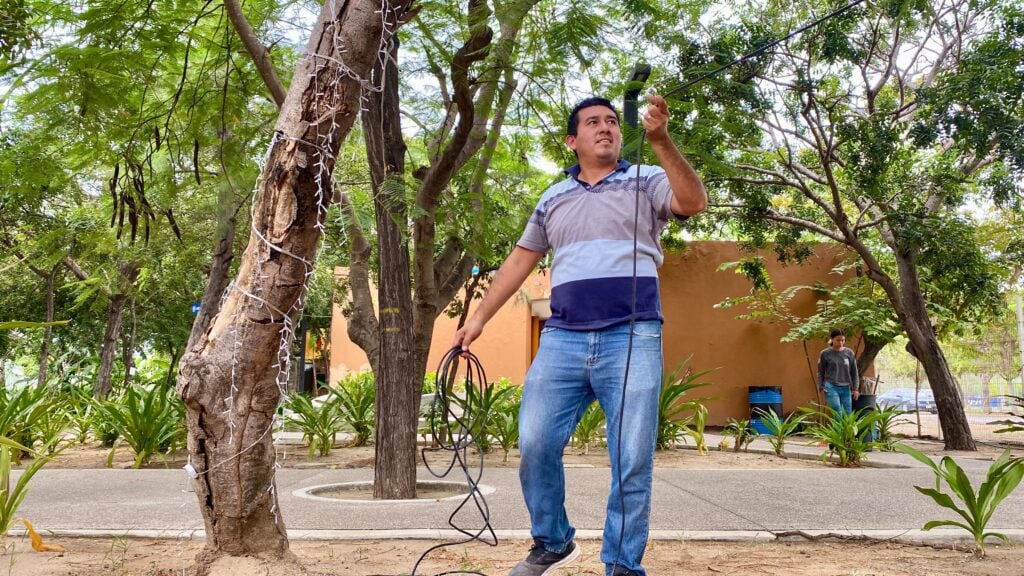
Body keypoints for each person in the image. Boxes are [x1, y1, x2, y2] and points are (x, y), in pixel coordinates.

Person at [453, 94, 706, 576]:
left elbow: (693, 201)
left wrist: (662, 141)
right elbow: (517, 263)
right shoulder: (552, 197)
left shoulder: (645, 180)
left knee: (630, 459)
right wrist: (479, 318)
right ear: (573, 141)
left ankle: (622, 566)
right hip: (563, 339)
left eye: (611, 121)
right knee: (534, 444)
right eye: (592, 122)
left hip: (632, 336)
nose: (605, 127)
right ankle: (552, 541)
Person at [817, 328, 860, 416]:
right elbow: (820, 371)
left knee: (847, 414)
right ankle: (837, 430)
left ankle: (844, 430)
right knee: (837, 412)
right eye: (838, 340)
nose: (840, 342)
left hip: (846, 387)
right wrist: (821, 385)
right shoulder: (825, 354)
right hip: (831, 386)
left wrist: (855, 389)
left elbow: (854, 372)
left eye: (843, 340)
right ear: (832, 339)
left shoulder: (849, 353)